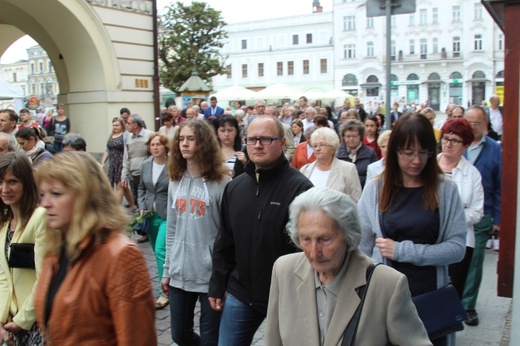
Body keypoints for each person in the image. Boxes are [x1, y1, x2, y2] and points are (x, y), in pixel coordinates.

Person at [265, 187, 432, 346]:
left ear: (348, 235)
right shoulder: (284, 270)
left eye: (325, 239)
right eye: (306, 239)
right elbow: (273, 340)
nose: (314, 253)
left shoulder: (387, 285)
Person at [358, 113, 466, 345]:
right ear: (394, 151)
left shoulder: (446, 190)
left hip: (431, 298)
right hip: (385, 298)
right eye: (409, 153)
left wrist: (402, 251)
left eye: (424, 152)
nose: (417, 160)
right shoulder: (375, 188)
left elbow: (457, 249)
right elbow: (362, 245)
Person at [208, 116, 313, 345]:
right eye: (252, 139)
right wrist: (217, 284)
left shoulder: (301, 188)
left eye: (266, 139)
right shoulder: (235, 188)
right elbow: (225, 240)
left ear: (282, 142)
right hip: (240, 294)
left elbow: (308, 249)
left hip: (287, 296)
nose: (257, 145)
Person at [33, 151, 157, 345]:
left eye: (56, 194)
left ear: (86, 196)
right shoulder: (57, 246)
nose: (45, 204)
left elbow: (137, 339)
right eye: (42, 194)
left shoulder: (121, 254)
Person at [161, 119, 230, 345]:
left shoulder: (222, 182)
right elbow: (171, 229)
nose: (184, 144)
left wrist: (224, 277)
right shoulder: (174, 181)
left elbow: (228, 234)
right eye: (181, 139)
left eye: (191, 139)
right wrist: (166, 270)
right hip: (179, 273)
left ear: (204, 143)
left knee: (211, 339)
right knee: (179, 335)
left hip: (210, 275)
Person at [0, 153, 46, 346]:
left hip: (37, 321)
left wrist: (22, 320)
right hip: (10, 323)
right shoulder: (3, 224)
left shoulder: (40, 217)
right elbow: (3, 276)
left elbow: (45, 277)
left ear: (26, 183)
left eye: (12, 182)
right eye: (0, 182)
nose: (4, 189)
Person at [462, 106, 502, 326]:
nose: (470, 126)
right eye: (467, 122)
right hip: (456, 213)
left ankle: (468, 305)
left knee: (475, 262)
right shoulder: (456, 145)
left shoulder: (495, 149)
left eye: (475, 123)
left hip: (482, 213)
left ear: (485, 124)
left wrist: (498, 219)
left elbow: (500, 186)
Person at [437, 119, 484, 298]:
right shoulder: (427, 167)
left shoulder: (472, 174)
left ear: (465, 145)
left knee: (452, 292)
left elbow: (477, 212)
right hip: (428, 238)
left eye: (454, 140)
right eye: (445, 138)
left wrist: (451, 217)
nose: (448, 144)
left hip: (460, 240)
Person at [137, 132, 170, 310]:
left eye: (158, 144)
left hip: (167, 215)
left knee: (160, 251)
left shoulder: (173, 165)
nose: (155, 147)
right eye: (152, 145)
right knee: (159, 252)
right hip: (150, 215)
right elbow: (141, 188)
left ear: (165, 146)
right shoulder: (146, 164)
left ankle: (163, 292)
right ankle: (169, 280)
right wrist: (141, 206)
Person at [300, 127, 362, 202]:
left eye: (322, 145)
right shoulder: (305, 169)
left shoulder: (348, 169)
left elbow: (356, 199)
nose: (318, 148)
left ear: (333, 148)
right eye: (315, 146)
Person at [121, 114, 153, 237]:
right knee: (139, 201)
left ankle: (148, 229)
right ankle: (144, 228)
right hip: (134, 175)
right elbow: (126, 158)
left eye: (128, 123)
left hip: (147, 174)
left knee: (147, 201)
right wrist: (124, 175)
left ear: (135, 125)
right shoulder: (128, 138)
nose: (126, 125)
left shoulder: (149, 135)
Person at [101, 117, 138, 211]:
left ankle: (115, 210)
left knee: (119, 186)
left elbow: (130, 148)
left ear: (122, 125)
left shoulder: (126, 136)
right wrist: (103, 162)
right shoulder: (111, 136)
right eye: (113, 125)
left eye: (117, 125)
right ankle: (133, 206)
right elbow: (107, 149)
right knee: (124, 187)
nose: (115, 127)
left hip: (122, 165)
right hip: (113, 165)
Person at [336, 120, 378, 189]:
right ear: (343, 137)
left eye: (354, 136)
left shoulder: (370, 152)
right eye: (348, 136)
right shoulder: (337, 153)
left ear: (361, 136)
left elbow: (375, 176)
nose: (351, 139)